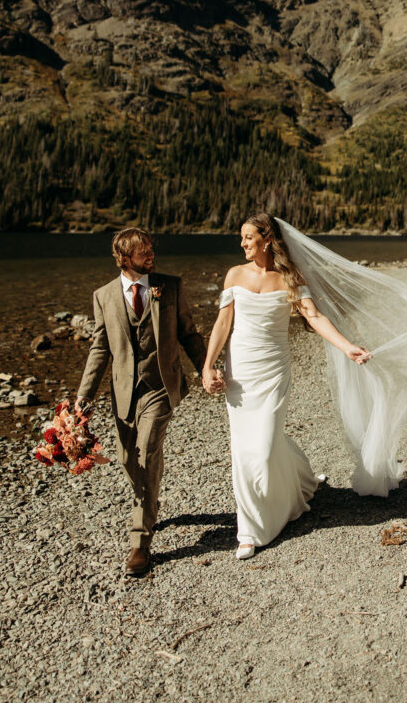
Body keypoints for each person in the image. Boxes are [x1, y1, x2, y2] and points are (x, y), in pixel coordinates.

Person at [202, 212, 373, 560]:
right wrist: (207, 367)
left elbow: (314, 317)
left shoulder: (290, 278)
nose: (242, 243)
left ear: (266, 239)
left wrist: (347, 346)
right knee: (245, 447)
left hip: (274, 370)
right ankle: (249, 529)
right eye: (241, 237)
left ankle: (285, 501)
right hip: (241, 373)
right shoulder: (234, 275)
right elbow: (223, 324)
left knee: (264, 444)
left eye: (248, 237)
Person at [74, 228, 210, 576]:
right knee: (126, 458)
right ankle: (150, 500)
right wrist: (83, 397)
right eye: (142, 251)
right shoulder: (103, 296)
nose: (150, 255)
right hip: (123, 393)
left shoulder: (170, 286)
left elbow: (188, 334)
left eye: (151, 248)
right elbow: (100, 349)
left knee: (147, 450)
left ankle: (140, 541)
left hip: (161, 387)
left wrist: (207, 369)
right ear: (124, 257)